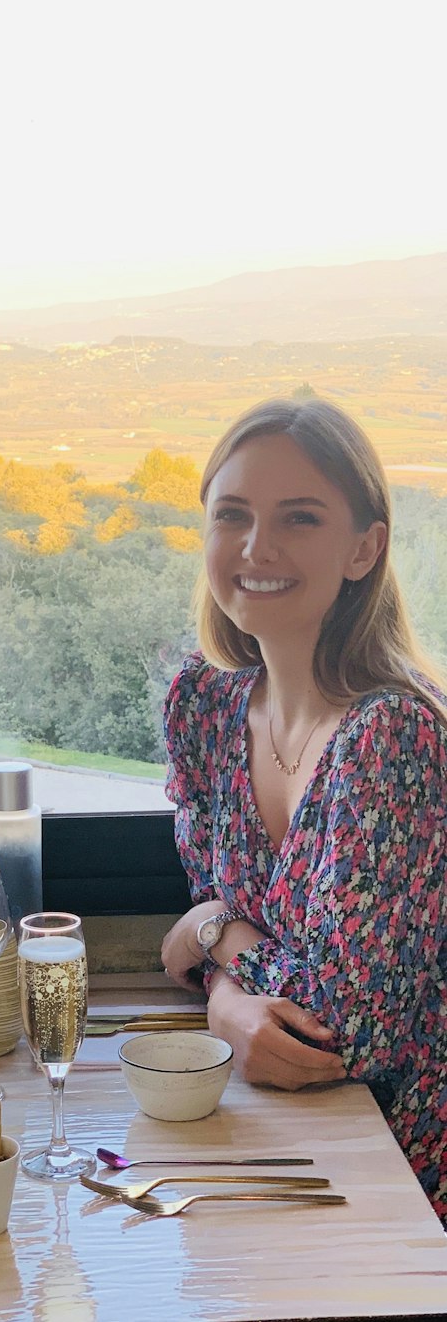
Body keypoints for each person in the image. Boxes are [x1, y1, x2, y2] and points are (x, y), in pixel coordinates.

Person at [159, 396, 447, 1224]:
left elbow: (349, 1032)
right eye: (234, 515)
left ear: (366, 547)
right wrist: (226, 974)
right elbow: (208, 913)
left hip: (404, 1163)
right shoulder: (206, 706)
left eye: (300, 518)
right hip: (290, 1131)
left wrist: (219, 950)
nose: (257, 547)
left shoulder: (392, 736)